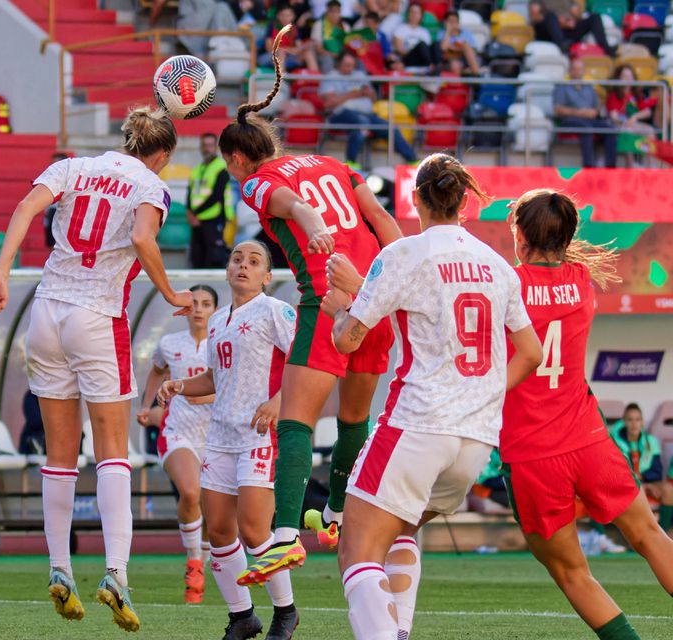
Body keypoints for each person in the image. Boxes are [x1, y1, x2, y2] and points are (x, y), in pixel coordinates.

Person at [0, 106, 193, 632]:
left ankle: (59, 568)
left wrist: (2, 272)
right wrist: (170, 293)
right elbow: (143, 238)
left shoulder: (74, 166)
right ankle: (116, 574)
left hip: (46, 310)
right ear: (162, 154)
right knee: (112, 451)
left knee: (59, 454)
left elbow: (26, 208)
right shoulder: (150, 184)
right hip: (97, 315)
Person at [325, 153, 542, 640]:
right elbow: (528, 351)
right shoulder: (496, 264)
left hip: (417, 426)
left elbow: (349, 339)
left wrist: (341, 306)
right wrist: (480, 393)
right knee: (403, 529)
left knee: (356, 551)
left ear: (414, 198)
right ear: (465, 201)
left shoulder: (404, 253)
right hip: (475, 439)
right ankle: (399, 631)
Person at [219, 26, 402, 585]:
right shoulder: (332, 163)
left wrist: (313, 223)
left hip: (327, 303)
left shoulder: (257, 181)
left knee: (296, 422)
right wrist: (402, 281)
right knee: (353, 418)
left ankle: (281, 539)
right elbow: (382, 221)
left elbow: (290, 203)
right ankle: (340, 513)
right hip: (377, 302)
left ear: (236, 158)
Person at [502, 188, 673, 640]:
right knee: (651, 537)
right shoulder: (580, 279)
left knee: (574, 573)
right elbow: (556, 256)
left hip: (531, 453)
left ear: (520, 235)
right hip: (590, 439)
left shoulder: (505, 284)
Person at [158, 241, 299, 640]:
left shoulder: (275, 311)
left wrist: (278, 401)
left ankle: (286, 613)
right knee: (219, 531)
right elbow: (214, 380)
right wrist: (181, 384)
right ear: (227, 269)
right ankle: (243, 617)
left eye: (254, 262)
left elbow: (304, 364)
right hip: (219, 436)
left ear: (267, 276)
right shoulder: (219, 320)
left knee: (254, 529)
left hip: (259, 435)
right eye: (237, 259)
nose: (243, 265)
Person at [137, 285, 219, 604]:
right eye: (193, 303)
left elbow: (230, 385)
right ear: (184, 309)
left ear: (215, 310)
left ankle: (208, 559)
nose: (198, 309)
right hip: (177, 431)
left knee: (216, 514)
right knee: (190, 492)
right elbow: (156, 371)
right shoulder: (169, 344)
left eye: (206, 304)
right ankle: (194, 562)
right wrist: (147, 406)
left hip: (217, 436)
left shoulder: (224, 342)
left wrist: (204, 395)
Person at [319, 50, 418, 166]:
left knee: (390, 127)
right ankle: (350, 162)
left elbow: (374, 98)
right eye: (347, 65)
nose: (350, 68)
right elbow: (329, 103)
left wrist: (368, 93)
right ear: (339, 64)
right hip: (339, 113)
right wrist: (353, 94)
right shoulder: (331, 77)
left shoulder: (359, 75)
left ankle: (412, 160)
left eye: (352, 65)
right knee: (362, 122)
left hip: (366, 114)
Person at [610, 403, 673, 533]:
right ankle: (637, 536)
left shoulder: (651, 441)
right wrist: (639, 483)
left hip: (648, 480)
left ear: (642, 422)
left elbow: (657, 470)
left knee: (668, 490)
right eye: (630, 420)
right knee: (639, 492)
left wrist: (645, 480)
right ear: (624, 422)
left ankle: (662, 533)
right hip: (627, 483)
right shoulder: (615, 442)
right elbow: (615, 472)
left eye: (637, 420)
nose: (634, 424)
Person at [554, 58, 617, 169]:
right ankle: (589, 167)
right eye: (575, 69)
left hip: (590, 119)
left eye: (580, 69)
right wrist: (579, 113)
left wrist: (594, 112)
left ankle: (611, 167)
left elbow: (597, 108)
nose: (578, 72)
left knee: (609, 128)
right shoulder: (562, 87)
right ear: (570, 71)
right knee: (585, 128)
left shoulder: (589, 87)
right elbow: (558, 109)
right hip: (569, 120)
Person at [188, 133, 234, 269]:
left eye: (210, 145)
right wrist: (189, 212)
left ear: (216, 148)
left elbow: (216, 195)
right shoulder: (196, 170)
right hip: (197, 221)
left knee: (214, 259)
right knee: (197, 259)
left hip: (214, 219)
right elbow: (189, 193)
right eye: (204, 145)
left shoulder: (222, 167)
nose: (207, 148)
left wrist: (195, 213)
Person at [531, 0, 614, 57]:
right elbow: (535, 17)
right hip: (549, 32)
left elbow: (578, 14)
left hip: (568, 30)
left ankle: (606, 49)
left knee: (595, 17)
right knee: (550, 16)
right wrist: (559, 22)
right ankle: (562, 46)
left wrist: (572, 21)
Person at [435, 10, 481, 75]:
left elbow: (473, 49)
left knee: (465, 45)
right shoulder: (442, 33)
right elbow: (443, 48)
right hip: (449, 58)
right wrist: (448, 31)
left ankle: (475, 72)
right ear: (445, 22)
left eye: (454, 21)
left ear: (458, 22)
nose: (452, 24)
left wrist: (454, 47)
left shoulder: (466, 33)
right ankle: (475, 73)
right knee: (455, 65)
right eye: (450, 21)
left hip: (465, 58)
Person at [310, 1, 350, 72]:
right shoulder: (319, 25)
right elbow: (319, 49)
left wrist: (342, 55)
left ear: (340, 13)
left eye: (337, 12)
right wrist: (333, 55)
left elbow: (348, 46)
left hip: (341, 55)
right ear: (327, 12)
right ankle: (328, 82)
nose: (334, 14)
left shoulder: (345, 26)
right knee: (327, 59)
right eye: (332, 12)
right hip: (324, 55)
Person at [392, 3, 433, 68]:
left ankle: (431, 66)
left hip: (422, 59)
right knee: (421, 45)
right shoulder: (400, 29)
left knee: (435, 45)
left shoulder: (425, 32)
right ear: (408, 14)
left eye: (416, 12)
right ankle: (430, 67)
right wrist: (414, 52)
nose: (414, 14)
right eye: (412, 12)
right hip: (407, 58)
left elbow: (427, 51)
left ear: (421, 16)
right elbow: (399, 49)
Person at [43, 151, 70, 249]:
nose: (54, 165)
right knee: (51, 244)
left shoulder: (71, 177)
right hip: (51, 211)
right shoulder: (49, 176)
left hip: (64, 212)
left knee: (61, 245)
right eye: (53, 163)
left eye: (57, 163)